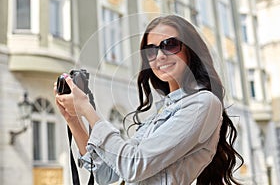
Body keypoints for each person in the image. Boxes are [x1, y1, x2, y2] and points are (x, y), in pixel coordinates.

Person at [54, 15, 243, 185]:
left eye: (170, 45)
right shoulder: (163, 111)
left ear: (190, 50)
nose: (160, 56)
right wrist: (73, 119)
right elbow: (106, 174)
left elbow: (133, 166)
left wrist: (87, 109)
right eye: (151, 51)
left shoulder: (204, 103)